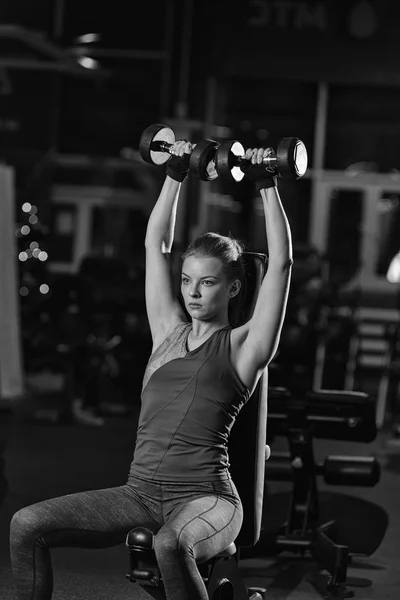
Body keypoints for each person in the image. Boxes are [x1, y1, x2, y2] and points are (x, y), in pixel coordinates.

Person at [9, 139, 293, 600]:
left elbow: (281, 264)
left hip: (209, 498)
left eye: (207, 282)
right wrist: (174, 172)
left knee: (170, 542)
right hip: (139, 492)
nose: (193, 292)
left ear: (234, 286)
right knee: (27, 524)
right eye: (186, 281)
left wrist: (267, 183)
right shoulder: (167, 333)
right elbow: (154, 245)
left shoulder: (245, 348)